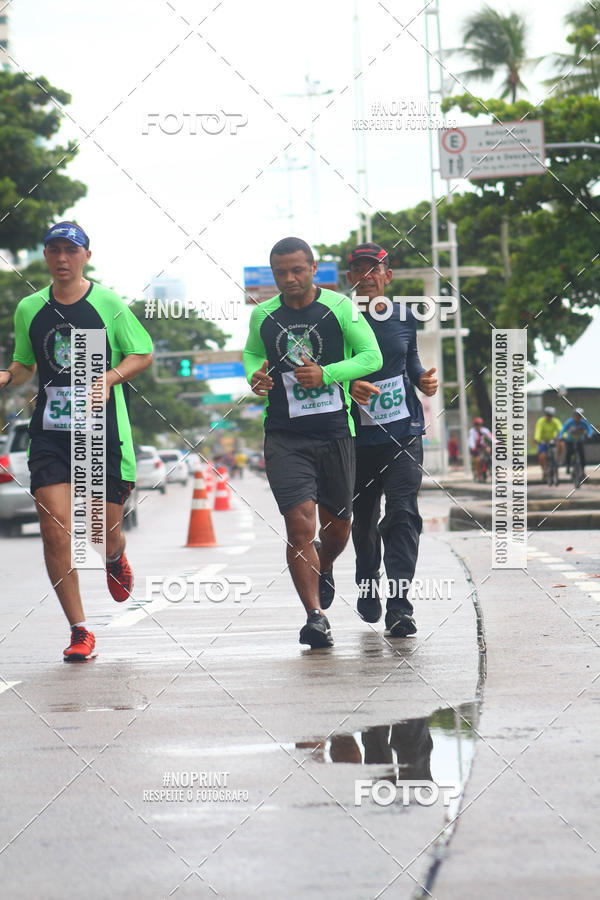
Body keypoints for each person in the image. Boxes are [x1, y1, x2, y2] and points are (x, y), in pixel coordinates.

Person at [0, 221, 153, 661]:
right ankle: (80, 630)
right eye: (54, 250)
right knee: (55, 529)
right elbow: (26, 363)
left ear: (86, 254)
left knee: (99, 532)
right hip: (50, 432)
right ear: (46, 256)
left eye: (71, 250)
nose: (62, 258)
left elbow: (141, 353)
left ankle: (114, 557)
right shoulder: (30, 307)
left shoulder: (106, 303)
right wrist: (10, 375)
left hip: (102, 432)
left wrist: (108, 377)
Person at [243, 236, 382, 649]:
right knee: (299, 525)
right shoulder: (264, 315)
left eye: (297, 270)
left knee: (338, 529)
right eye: (280, 272)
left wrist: (328, 373)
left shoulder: (339, 308)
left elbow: (370, 356)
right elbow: (252, 354)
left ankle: (325, 565)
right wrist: (256, 377)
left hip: (335, 430)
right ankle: (315, 618)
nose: (289, 278)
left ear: (314, 268)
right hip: (285, 435)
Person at [346, 242, 438, 637]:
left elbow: (410, 359)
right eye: (358, 270)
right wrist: (350, 383)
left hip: (403, 435)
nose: (366, 277)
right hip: (355, 440)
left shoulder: (402, 318)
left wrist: (422, 379)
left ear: (387, 275)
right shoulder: (339, 320)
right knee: (363, 520)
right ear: (350, 278)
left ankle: (400, 606)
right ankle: (368, 578)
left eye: (373, 269)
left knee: (401, 516)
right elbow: (323, 369)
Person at [559, 408, 594, 476]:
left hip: (579, 441)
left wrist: (589, 435)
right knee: (569, 453)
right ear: (574, 416)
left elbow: (590, 429)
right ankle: (568, 467)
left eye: (580, 416)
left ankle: (583, 471)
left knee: (582, 456)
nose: (578, 418)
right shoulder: (569, 422)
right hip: (570, 441)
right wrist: (561, 436)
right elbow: (563, 429)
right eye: (576, 416)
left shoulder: (584, 422)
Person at [534, 406, 563, 480]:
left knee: (562, 444)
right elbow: (538, 431)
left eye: (551, 416)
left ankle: (558, 459)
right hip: (543, 441)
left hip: (552, 440)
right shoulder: (541, 421)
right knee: (542, 456)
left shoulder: (556, 421)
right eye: (548, 415)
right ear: (545, 415)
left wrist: (563, 436)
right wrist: (537, 439)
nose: (549, 417)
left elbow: (561, 430)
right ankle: (544, 471)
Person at [468, 417, 493, 481]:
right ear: (475, 425)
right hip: (474, 446)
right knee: (477, 460)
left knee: (488, 450)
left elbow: (490, 436)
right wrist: (473, 447)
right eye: (477, 424)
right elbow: (471, 440)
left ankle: (489, 466)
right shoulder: (472, 431)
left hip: (481, 445)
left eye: (480, 424)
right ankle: (478, 475)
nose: (478, 426)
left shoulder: (484, 430)